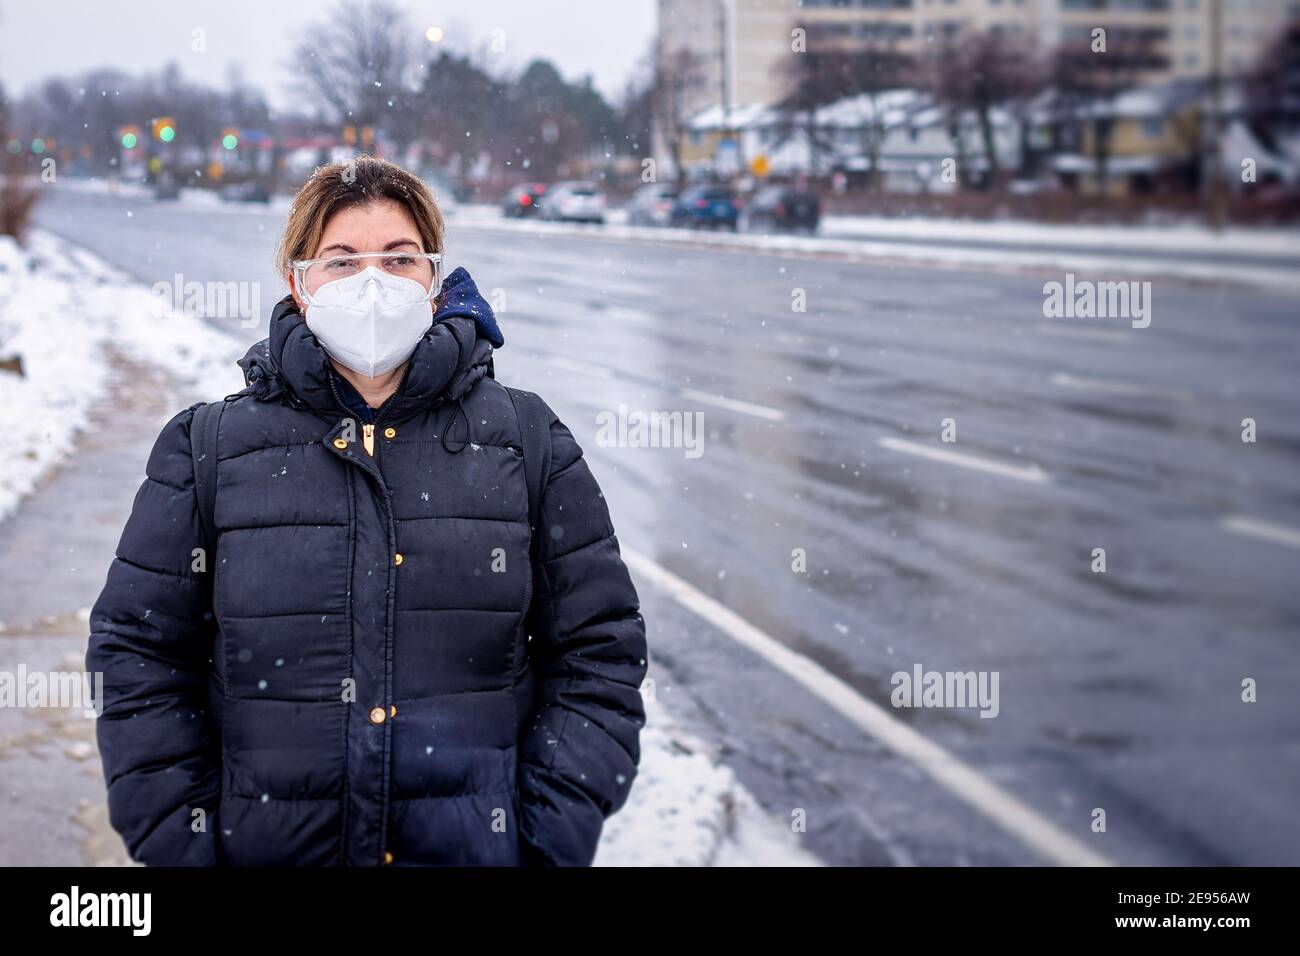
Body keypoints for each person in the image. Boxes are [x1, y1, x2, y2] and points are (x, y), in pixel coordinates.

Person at [84, 156, 649, 866]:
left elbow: (599, 655)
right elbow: (139, 655)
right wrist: (185, 845)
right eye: (342, 260)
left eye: (399, 258)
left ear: (434, 280)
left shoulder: (527, 442)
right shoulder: (208, 449)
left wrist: (542, 840)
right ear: (297, 280)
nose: (373, 282)